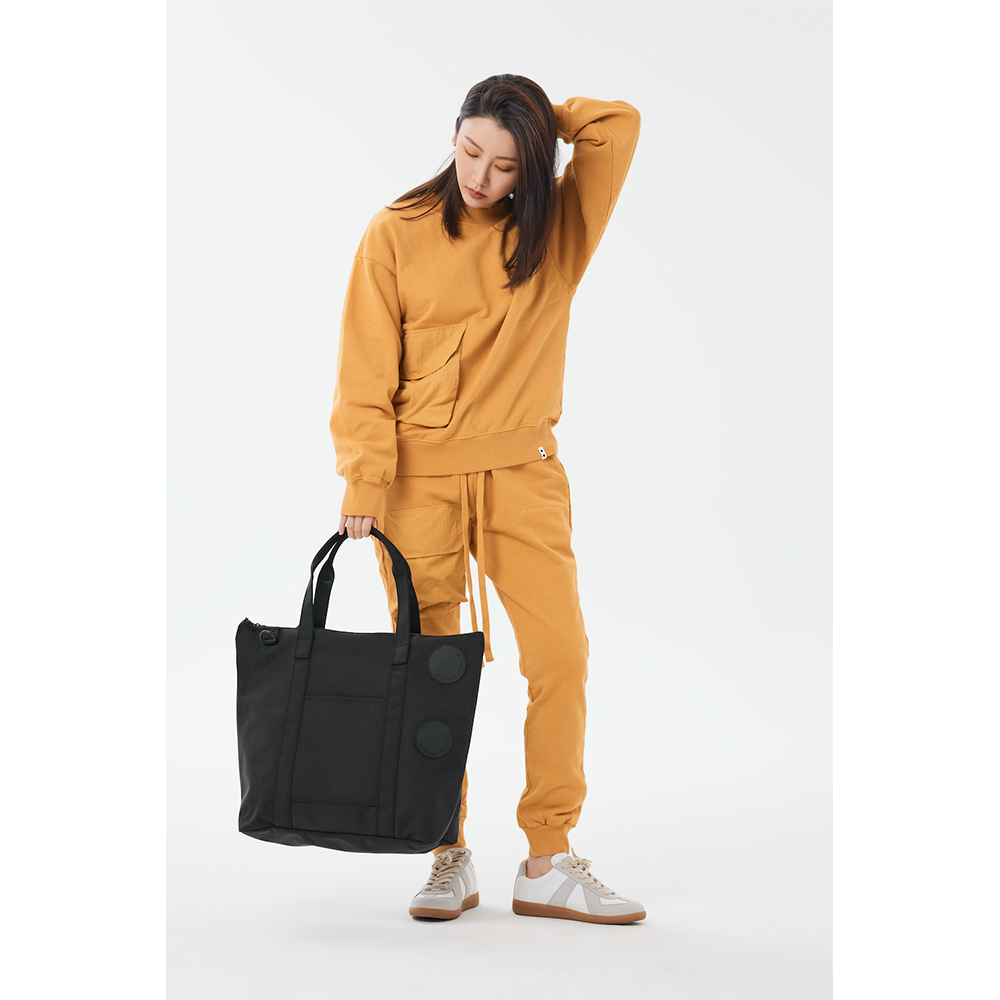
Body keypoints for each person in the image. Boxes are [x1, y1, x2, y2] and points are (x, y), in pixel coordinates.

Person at [329, 74, 644, 924]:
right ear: (453, 136)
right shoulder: (395, 232)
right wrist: (364, 478)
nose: (480, 176)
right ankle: (448, 852)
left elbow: (617, 125)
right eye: (471, 151)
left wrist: (541, 122)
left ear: (532, 168)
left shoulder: (559, 230)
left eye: (507, 165)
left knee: (562, 656)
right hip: (415, 485)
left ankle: (547, 857)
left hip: (523, 475)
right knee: (431, 671)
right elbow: (364, 369)